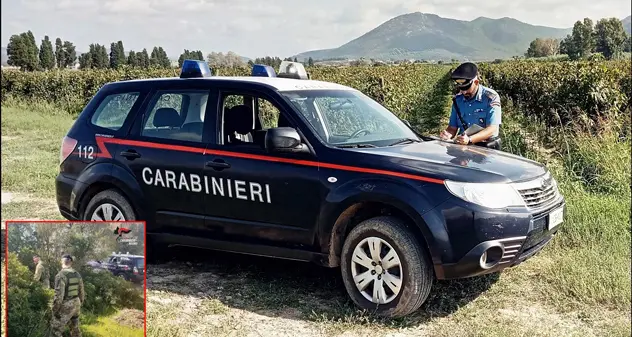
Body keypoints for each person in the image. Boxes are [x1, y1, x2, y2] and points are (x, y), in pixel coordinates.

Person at [440, 62, 502, 150]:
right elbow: (452, 128)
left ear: (476, 82)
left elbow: (492, 129)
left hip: (486, 148)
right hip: (463, 148)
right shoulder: (458, 100)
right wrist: (447, 135)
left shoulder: (490, 97)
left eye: (467, 88)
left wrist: (470, 139)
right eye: (461, 89)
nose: (464, 92)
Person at [49, 254, 84, 337]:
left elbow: (59, 297)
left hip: (66, 305)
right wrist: (80, 303)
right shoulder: (77, 274)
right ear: (71, 262)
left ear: (61, 261)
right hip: (76, 303)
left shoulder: (60, 275)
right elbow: (81, 292)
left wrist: (54, 310)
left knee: (55, 330)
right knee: (75, 329)